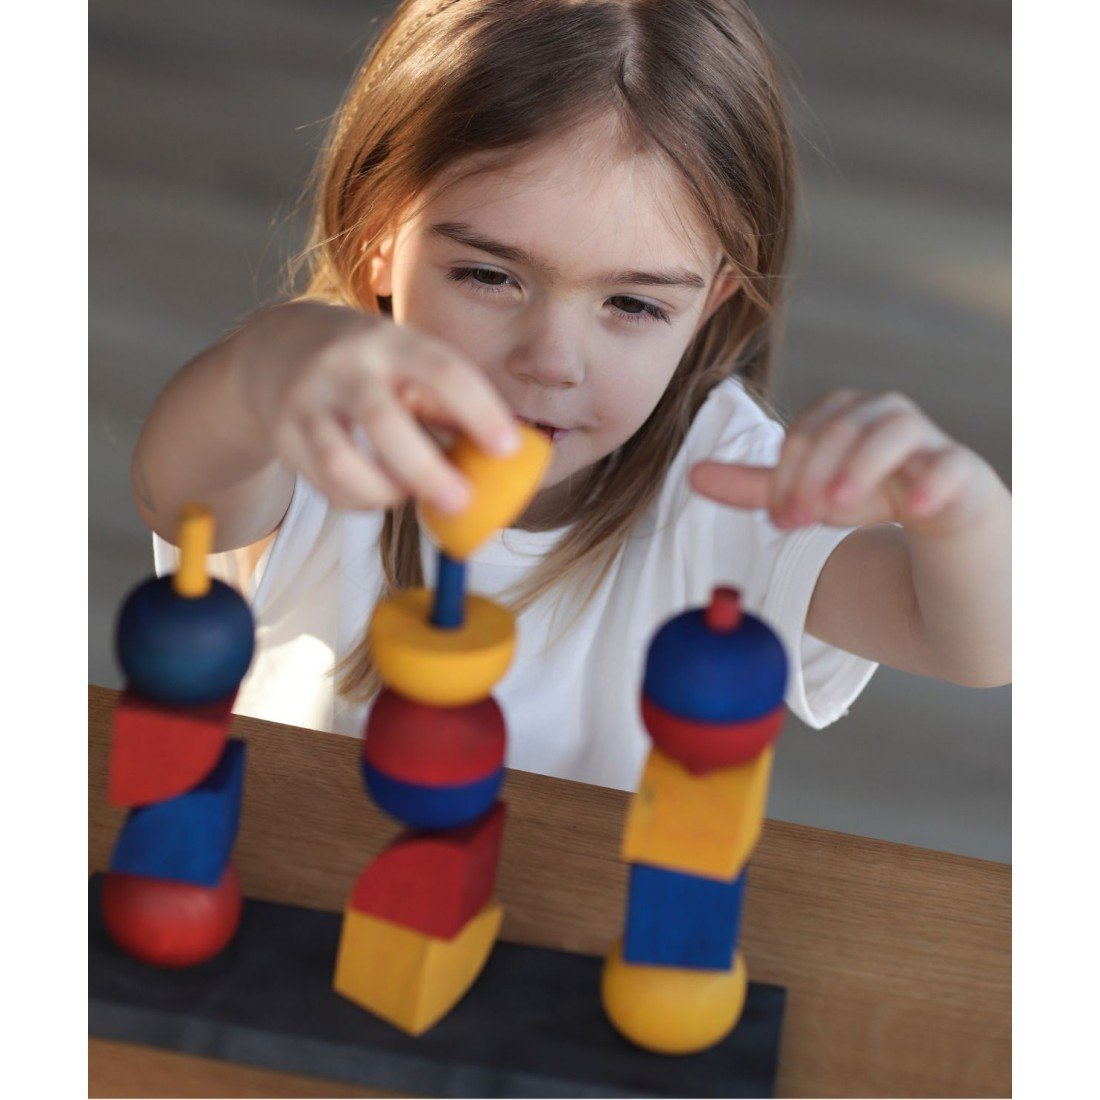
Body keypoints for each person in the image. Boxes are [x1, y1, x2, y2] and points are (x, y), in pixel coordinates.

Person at [132, 0, 1011, 790]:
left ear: (710, 303)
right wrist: (254, 372)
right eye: (487, 275)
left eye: (631, 303)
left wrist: (961, 512)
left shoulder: (731, 490)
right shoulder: (314, 414)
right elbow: (177, 493)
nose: (551, 360)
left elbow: (977, 647)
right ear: (375, 240)